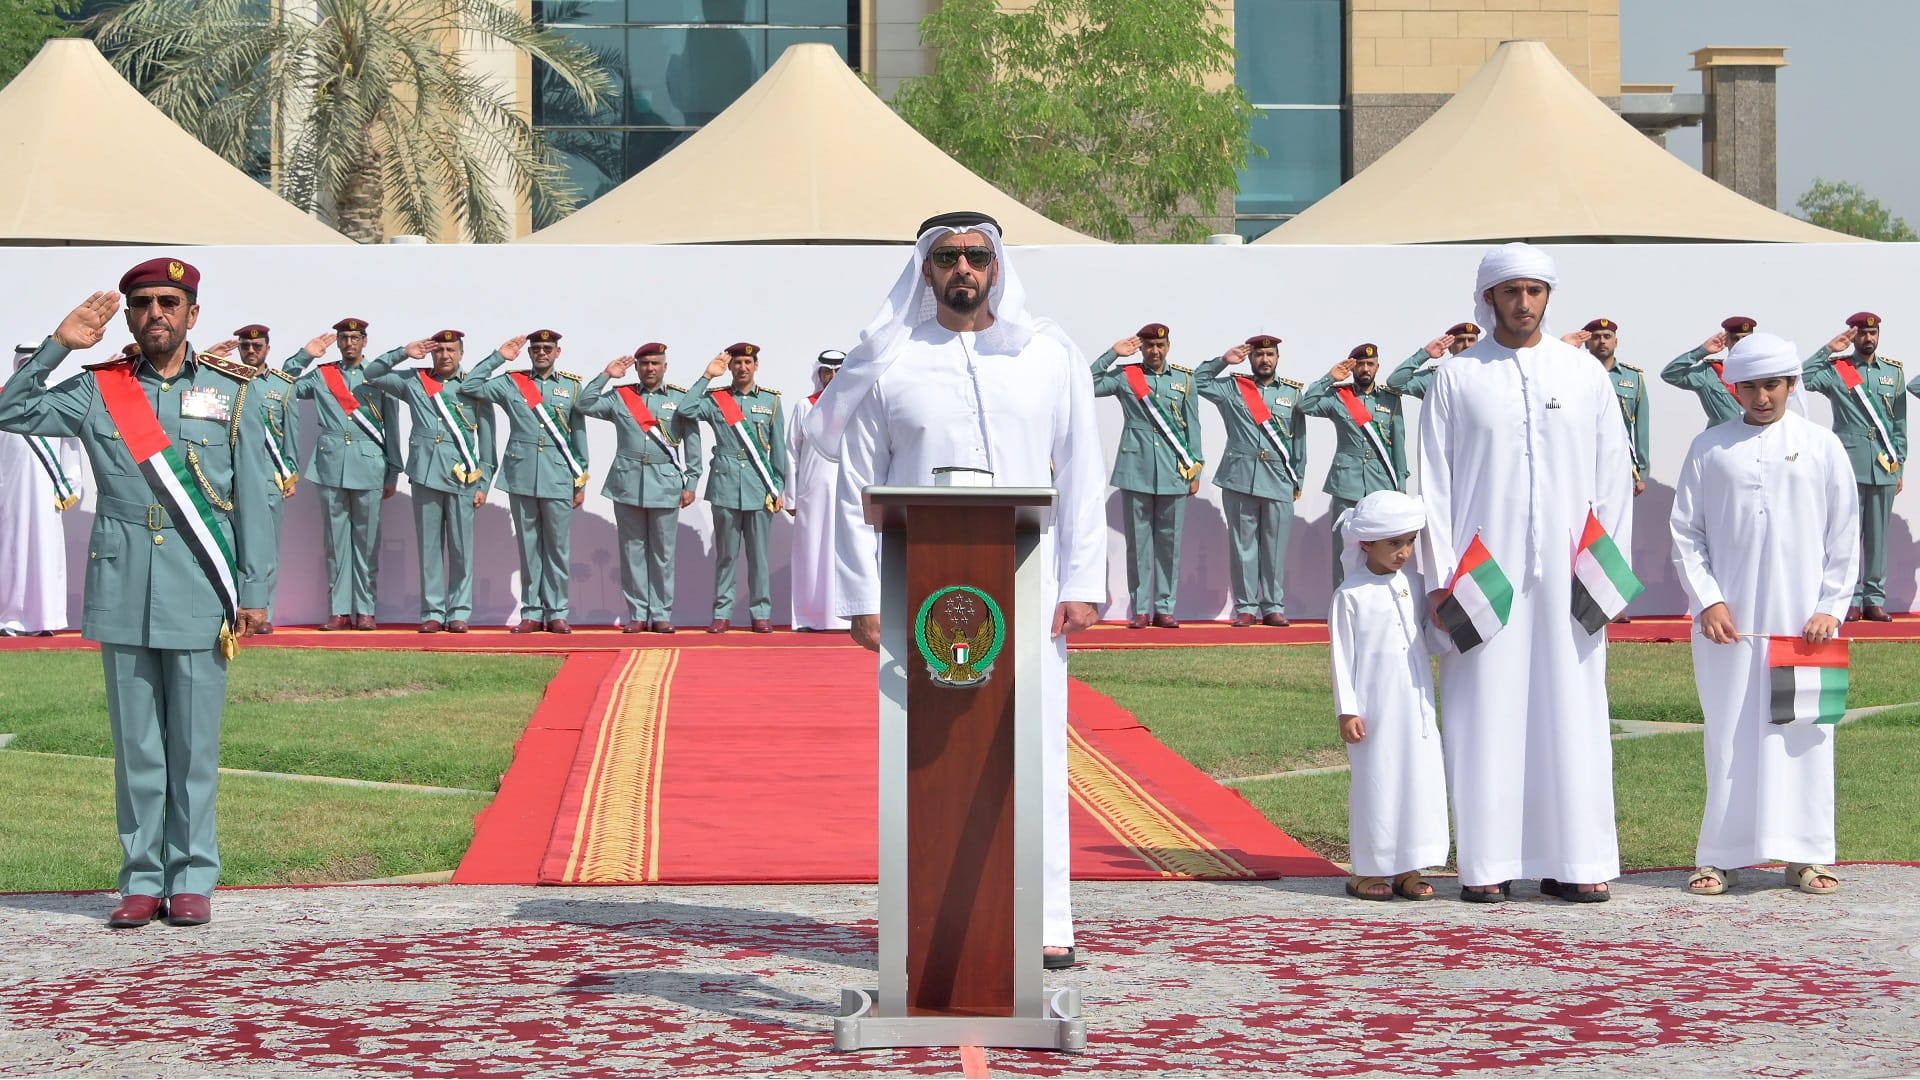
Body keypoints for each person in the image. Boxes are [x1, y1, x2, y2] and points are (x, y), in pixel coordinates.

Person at [811, 210, 1106, 968]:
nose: (963, 268)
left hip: (1029, 585)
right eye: (947, 258)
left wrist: (1083, 580)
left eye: (976, 255)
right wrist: (862, 598)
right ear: (926, 270)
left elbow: (1082, 471)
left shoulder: (1048, 355)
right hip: (923, 591)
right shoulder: (892, 362)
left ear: (998, 266)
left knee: (1033, 747)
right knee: (928, 752)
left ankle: (1046, 920)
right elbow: (854, 486)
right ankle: (930, 918)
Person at [0, 259, 273, 928]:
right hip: (123, 580)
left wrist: (254, 589)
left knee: (194, 747)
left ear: (192, 314)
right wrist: (60, 345)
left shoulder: (234, 393)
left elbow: (255, 496)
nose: (156, 314)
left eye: (169, 303)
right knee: (138, 747)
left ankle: (192, 877)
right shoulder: (99, 389)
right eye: (144, 303)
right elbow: (11, 410)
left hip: (200, 581)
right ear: (128, 316)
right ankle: (143, 880)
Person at [1417, 242, 1632, 904]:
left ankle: (1578, 860)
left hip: (1573, 572)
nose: (1523, 302)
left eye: (1534, 290)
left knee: (1574, 712)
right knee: (1484, 712)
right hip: (1483, 574)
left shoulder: (1583, 373)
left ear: (1548, 297)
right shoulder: (1456, 377)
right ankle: (1487, 864)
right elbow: (1434, 482)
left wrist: (1607, 574)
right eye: (1510, 291)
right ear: (1488, 298)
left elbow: (1612, 477)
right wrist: (1440, 578)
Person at [1669, 332, 1858, 898]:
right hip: (1728, 626)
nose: (1761, 396)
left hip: (1804, 626)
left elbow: (1843, 534)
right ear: (1734, 387)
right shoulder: (1710, 447)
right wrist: (1708, 599)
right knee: (1728, 734)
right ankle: (1720, 857)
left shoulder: (1821, 445)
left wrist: (1830, 607)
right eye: (1749, 386)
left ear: (1792, 383)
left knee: (1803, 733)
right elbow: (1687, 532)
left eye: (1772, 384)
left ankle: (1806, 856)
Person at [1329, 489, 1447, 902]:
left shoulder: (1414, 584)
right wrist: (1347, 710)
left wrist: (1445, 625)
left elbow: (1428, 640)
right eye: (1394, 543)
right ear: (1365, 543)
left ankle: (1409, 866)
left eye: (1410, 542)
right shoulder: (1350, 594)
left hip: (1415, 703)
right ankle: (1368, 868)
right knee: (1377, 782)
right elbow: (1341, 657)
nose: (1404, 552)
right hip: (1373, 708)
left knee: (1416, 779)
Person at [364, 330, 502, 633]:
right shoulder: (415, 381)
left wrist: (484, 484)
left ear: (461, 353)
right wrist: (403, 352)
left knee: (461, 549)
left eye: (451, 350)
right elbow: (372, 373)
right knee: (429, 549)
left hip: (462, 478)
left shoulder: (473, 386)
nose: (445, 355)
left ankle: (459, 612)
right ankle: (432, 612)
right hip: (425, 474)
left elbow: (487, 442)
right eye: (439, 350)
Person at [462, 329, 589, 634]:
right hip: (522, 475)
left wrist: (581, 480)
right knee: (529, 548)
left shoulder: (572, 387)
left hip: (559, 475)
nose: (541, 353)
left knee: (557, 548)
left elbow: (579, 436)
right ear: (530, 352)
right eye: (536, 348)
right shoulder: (511, 382)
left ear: (557, 352)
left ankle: (557, 612)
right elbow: (470, 385)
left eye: (547, 348)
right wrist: (499, 357)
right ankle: (531, 611)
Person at [576, 343, 703, 633]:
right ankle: (637, 613)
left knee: (663, 553)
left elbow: (693, 444)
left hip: (666, 482)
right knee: (632, 551)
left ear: (665, 367)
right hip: (627, 482)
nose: (650, 368)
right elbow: (584, 405)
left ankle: (661, 614)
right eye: (644, 364)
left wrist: (692, 482)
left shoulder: (680, 399)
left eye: (655, 363)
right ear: (636, 367)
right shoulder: (621, 396)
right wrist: (606, 375)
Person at [285, 318, 402, 630]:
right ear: (337, 343)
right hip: (331, 466)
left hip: (370, 465)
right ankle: (339, 610)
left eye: (355, 337)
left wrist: (393, 472)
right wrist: (304, 356)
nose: (349, 343)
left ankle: (365, 610)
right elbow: (285, 386)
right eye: (344, 338)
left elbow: (392, 425)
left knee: (367, 543)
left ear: (365, 341)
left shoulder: (379, 376)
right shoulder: (323, 374)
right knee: (335, 546)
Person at [1091, 323, 1203, 628]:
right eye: (1149, 345)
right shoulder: (1126, 376)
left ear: (1168, 347)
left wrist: (1196, 467)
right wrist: (1112, 354)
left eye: (1160, 346)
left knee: (1170, 545)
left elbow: (1193, 427)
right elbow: (1087, 384)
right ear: (1141, 347)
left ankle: (1165, 608)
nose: (1155, 351)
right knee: (1138, 545)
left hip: (1174, 469)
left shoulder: (1185, 380)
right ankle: (1140, 609)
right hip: (1135, 469)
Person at [1195, 335, 1305, 626]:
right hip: (1240, 477)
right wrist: (1223, 361)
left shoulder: (1293, 394)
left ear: (1277, 358)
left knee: (1275, 548)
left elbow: (1299, 442)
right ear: (1251, 358)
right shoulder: (1233, 387)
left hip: (1279, 478)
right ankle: (1246, 607)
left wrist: (1297, 479)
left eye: (1270, 354)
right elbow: (1198, 382)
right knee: (1243, 547)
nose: (1264, 359)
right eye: (1259, 354)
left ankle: (1273, 606)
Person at [1801, 313, 1904, 623]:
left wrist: (1899, 466)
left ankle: (1874, 599)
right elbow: (1801, 380)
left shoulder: (1893, 373)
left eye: (1873, 333)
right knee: (1846, 536)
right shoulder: (1838, 369)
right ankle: (1850, 599)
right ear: (1853, 336)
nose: (1868, 339)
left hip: (1883, 463)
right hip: (1847, 462)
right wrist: (1828, 350)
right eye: (1862, 334)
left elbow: (1899, 425)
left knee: (1878, 538)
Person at [678, 343, 786, 634]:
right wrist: (707, 376)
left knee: (759, 558)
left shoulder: (772, 401)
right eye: (737, 362)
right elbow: (685, 409)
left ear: (756, 366)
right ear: (731, 366)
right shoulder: (717, 399)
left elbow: (778, 449)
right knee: (726, 556)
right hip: (725, 485)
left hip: (759, 486)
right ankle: (721, 613)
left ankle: (760, 613)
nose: (742, 367)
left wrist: (779, 487)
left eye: (748, 362)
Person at [1303, 342, 1408, 587]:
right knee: (1345, 550)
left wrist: (1401, 485)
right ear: (1352, 367)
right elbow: (1305, 405)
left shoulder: (1390, 399)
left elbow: (1398, 443)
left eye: (1370, 364)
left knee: (1382, 548)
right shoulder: (1338, 396)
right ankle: (1343, 599)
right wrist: (1330, 377)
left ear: (1377, 367)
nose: (1365, 368)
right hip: (1346, 483)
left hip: (1381, 483)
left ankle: (1378, 599)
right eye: (1360, 364)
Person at [0, 344, 84, 636]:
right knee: (10, 556)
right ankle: (9, 619)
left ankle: (45, 620)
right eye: (23, 363)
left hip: (47, 497)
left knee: (46, 555)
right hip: (9, 497)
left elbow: (70, 450)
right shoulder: (2, 401)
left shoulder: (56, 402)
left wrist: (69, 487)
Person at [785, 349, 850, 631]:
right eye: (827, 372)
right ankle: (810, 616)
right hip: (812, 491)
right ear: (819, 374)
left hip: (848, 489)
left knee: (846, 551)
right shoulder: (805, 406)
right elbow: (791, 452)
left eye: (838, 371)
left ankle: (847, 616)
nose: (832, 377)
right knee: (811, 551)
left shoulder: (859, 404)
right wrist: (791, 496)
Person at [1579, 318, 1649, 504]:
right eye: (1596, 337)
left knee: (1616, 516)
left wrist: (1641, 472)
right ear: (1586, 343)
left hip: (1619, 460)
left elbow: (1642, 428)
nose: (1602, 341)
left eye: (1607, 337)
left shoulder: (1633, 377)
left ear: (1616, 342)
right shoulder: (1575, 375)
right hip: (1584, 458)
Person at [1662, 317, 1754, 428]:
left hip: (1758, 437)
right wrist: (1702, 351)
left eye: (1746, 339)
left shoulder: (1765, 373)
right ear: (1726, 341)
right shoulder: (1710, 372)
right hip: (1720, 437)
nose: (1741, 344)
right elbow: (1670, 374)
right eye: (1736, 339)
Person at [1384, 321, 1478, 399]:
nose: (1467, 345)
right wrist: (1424, 354)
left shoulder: (1486, 371)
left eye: (1471, 340)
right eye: (1460, 340)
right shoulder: (1437, 376)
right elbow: (1395, 382)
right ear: (1449, 347)